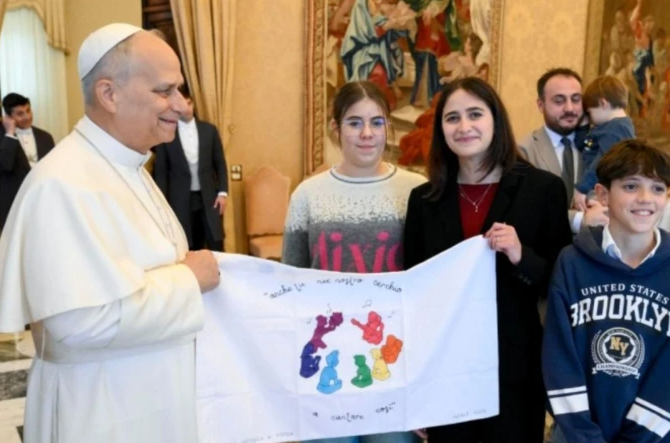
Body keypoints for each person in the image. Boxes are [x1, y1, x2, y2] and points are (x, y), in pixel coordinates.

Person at [0, 23, 220, 443]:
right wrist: (189, 281)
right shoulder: (62, 183)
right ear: (109, 94)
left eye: (179, 90)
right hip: (102, 410)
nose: (180, 105)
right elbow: (78, 322)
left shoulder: (127, 164)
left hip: (144, 397)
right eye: (165, 90)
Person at [403, 77, 573, 443]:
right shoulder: (424, 200)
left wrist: (521, 255)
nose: (464, 126)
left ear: (496, 120)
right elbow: (413, 298)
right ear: (441, 129)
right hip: (445, 368)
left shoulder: (543, 189)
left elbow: (560, 285)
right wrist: (414, 385)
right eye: (452, 118)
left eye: (475, 114)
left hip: (514, 368)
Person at [282, 80, 425, 443]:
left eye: (376, 122)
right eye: (354, 122)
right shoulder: (307, 195)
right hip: (326, 359)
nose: (367, 134)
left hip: (395, 362)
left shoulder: (416, 191)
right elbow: (291, 285)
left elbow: (429, 286)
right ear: (335, 128)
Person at [543, 139, 670, 443]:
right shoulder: (572, 262)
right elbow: (558, 355)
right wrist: (583, 434)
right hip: (576, 434)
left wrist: (638, 437)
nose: (645, 199)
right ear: (602, 195)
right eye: (631, 186)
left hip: (654, 436)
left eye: (657, 188)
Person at [519, 68, 609, 235]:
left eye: (576, 99)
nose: (569, 108)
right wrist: (579, 220)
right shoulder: (524, 151)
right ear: (540, 104)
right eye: (559, 101)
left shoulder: (599, 145)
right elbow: (527, 210)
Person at [153, 87, 229, 252]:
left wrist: (223, 193)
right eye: (182, 104)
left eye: (189, 103)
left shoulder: (209, 130)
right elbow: (161, 172)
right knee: (188, 245)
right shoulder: (166, 134)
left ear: (193, 104)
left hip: (209, 198)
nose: (186, 109)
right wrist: (162, 202)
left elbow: (220, 164)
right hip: (180, 199)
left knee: (216, 241)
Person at [573, 75, 635, 211]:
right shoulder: (608, 127)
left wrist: (582, 188)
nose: (590, 118)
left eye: (589, 113)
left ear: (602, 103)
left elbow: (602, 163)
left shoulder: (616, 130)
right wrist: (583, 125)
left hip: (602, 191)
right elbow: (585, 146)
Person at [0, 93, 55, 231]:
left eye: (28, 110)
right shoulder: (4, 138)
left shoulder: (45, 137)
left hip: (42, 202)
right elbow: (6, 164)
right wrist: (10, 133)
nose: (27, 116)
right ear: (8, 116)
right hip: (12, 205)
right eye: (20, 113)